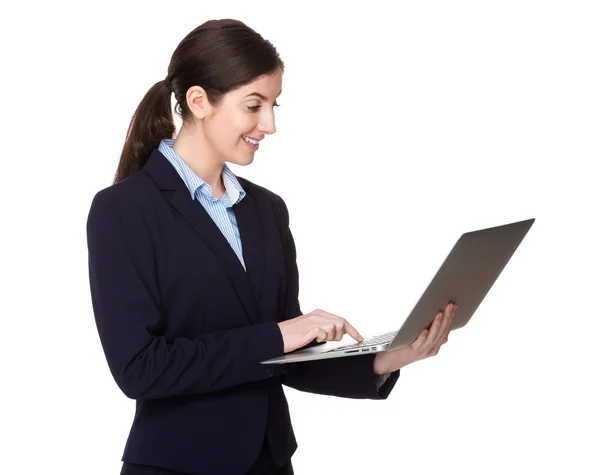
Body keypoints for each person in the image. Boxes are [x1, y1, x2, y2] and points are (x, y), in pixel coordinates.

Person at [86, 19, 457, 475]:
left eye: (274, 105)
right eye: (254, 105)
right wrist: (281, 333)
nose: (271, 124)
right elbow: (141, 369)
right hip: (177, 465)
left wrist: (387, 358)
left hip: (270, 462)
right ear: (199, 101)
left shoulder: (266, 210)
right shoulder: (123, 210)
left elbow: (285, 360)